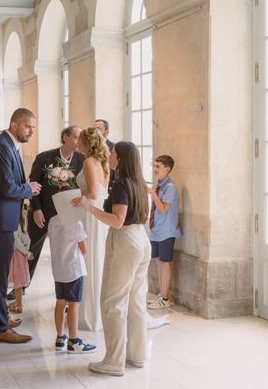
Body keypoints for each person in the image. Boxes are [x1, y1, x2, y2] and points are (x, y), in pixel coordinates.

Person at [73, 141, 151, 377]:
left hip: (125, 241)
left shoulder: (120, 184)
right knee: (136, 300)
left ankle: (114, 362)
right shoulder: (139, 182)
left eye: (114, 153)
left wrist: (89, 207)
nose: (111, 156)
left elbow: (117, 220)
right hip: (141, 240)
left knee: (112, 302)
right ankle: (137, 355)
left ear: (122, 158)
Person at [0, 108, 41, 344]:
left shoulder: (8, 143)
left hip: (2, 217)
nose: (31, 131)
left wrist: (24, 187)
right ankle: (0, 327)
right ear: (14, 125)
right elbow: (7, 188)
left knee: (0, 272)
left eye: (33, 127)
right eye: (27, 126)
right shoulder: (2, 145)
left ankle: (1, 317)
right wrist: (29, 189)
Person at [25, 125, 84, 283]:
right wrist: (36, 209)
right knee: (32, 248)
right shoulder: (44, 158)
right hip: (43, 212)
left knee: (65, 254)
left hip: (67, 215)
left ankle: (66, 287)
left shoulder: (82, 159)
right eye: (76, 137)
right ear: (65, 137)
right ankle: (22, 285)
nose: (79, 142)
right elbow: (33, 185)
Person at [76, 127, 110, 331]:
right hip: (99, 214)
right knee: (96, 258)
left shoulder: (89, 161)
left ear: (87, 143)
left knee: (88, 259)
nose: (77, 143)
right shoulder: (103, 162)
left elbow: (93, 193)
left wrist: (68, 189)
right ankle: (96, 310)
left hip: (91, 213)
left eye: (80, 140)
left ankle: (89, 315)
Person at [48, 218, 96, 354]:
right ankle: (74, 342)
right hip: (73, 269)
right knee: (74, 305)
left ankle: (60, 338)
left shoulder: (53, 221)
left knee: (60, 302)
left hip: (58, 269)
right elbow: (84, 249)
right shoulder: (75, 222)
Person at [147, 155, 181, 310]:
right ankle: (162, 296)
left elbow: (163, 208)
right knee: (159, 262)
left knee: (165, 263)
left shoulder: (170, 187)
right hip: (157, 230)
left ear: (167, 169)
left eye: (158, 166)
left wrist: (152, 193)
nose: (155, 169)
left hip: (166, 231)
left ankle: (165, 298)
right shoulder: (158, 185)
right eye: (154, 166)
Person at [7, 220, 32, 313]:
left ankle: (18, 305)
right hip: (21, 255)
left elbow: (16, 243)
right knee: (19, 283)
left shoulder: (13, 223)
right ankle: (18, 302)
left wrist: (27, 253)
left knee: (17, 282)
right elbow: (27, 239)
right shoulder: (22, 223)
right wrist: (26, 251)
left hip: (15, 255)